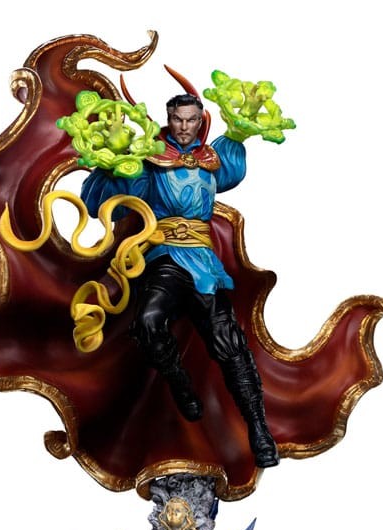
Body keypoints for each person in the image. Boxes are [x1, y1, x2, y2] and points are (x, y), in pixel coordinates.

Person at [80, 94, 279, 468]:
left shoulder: (209, 159)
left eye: (191, 120)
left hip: (203, 264)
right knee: (147, 321)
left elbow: (231, 170)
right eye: (177, 119)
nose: (184, 127)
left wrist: (240, 128)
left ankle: (258, 428)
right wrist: (112, 159)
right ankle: (178, 381)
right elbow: (104, 204)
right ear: (168, 120)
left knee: (228, 342)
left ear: (200, 121)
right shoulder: (151, 160)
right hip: (165, 259)